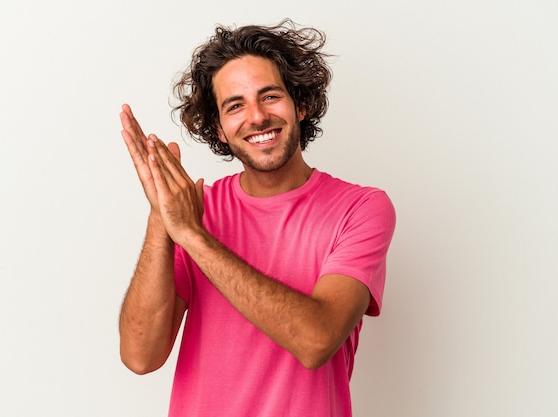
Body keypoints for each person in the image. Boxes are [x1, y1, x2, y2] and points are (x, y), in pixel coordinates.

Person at [118, 18, 396, 417]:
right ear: (220, 129)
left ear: (300, 104)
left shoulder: (361, 208)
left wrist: (192, 236)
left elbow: (316, 340)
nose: (257, 117)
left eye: (270, 96)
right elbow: (140, 356)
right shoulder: (196, 210)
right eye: (235, 105)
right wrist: (161, 219)